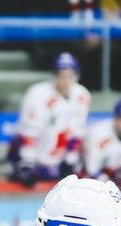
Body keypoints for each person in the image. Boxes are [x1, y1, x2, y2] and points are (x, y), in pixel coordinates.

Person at [9, 52, 91, 186]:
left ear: (76, 76)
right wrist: (27, 163)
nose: (65, 80)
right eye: (61, 75)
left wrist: (70, 160)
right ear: (54, 75)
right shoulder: (37, 94)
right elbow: (29, 131)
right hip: (34, 160)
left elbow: (77, 131)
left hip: (59, 161)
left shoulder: (82, 95)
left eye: (70, 75)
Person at [83, 95, 121, 200]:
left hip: (119, 184)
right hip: (95, 184)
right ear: (115, 117)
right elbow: (91, 168)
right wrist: (109, 183)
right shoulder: (98, 132)